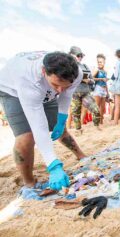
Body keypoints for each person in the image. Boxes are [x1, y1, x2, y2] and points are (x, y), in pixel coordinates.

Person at [0, 51, 85, 190]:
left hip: (44, 88)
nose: (60, 90)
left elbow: (66, 95)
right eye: (56, 84)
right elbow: (38, 126)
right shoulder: (27, 78)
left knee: (60, 128)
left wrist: (62, 118)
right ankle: (29, 182)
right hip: (11, 90)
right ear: (44, 71)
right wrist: (53, 165)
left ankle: (81, 155)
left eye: (65, 86)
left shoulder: (77, 73)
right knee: (26, 136)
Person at [68, 46, 101, 133]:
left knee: (96, 110)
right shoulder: (69, 66)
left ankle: (96, 127)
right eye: (78, 55)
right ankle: (78, 130)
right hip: (74, 93)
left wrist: (88, 80)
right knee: (76, 113)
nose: (80, 57)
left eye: (81, 55)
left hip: (85, 92)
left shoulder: (85, 66)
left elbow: (92, 80)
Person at [92, 54, 109, 124]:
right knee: (97, 107)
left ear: (104, 62)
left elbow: (106, 83)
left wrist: (107, 93)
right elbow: (91, 78)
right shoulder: (96, 70)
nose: (99, 63)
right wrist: (101, 78)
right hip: (98, 88)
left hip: (104, 89)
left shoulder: (105, 71)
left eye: (101, 62)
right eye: (98, 62)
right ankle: (96, 122)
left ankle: (101, 121)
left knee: (103, 107)